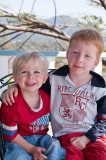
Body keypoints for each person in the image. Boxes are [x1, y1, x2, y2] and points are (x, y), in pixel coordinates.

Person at [2, 29, 106, 160]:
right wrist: (14, 85)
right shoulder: (53, 79)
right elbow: (32, 84)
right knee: (70, 157)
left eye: (87, 56)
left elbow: (104, 121)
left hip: (92, 137)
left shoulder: (99, 88)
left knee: (100, 156)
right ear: (67, 54)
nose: (79, 59)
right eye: (75, 53)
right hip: (65, 137)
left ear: (96, 62)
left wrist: (86, 138)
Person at [0, 52, 65, 160]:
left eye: (36, 72)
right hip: (17, 140)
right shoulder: (11, 101)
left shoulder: (48, 97)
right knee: (18, 156)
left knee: (55, 145)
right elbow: (9, 134)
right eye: (24, 72)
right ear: (15, 77)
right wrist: (31, 149)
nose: (30, 76)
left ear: (45, 78)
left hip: (41, 138)